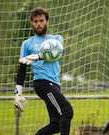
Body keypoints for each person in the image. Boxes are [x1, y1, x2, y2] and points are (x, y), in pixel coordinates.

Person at [14, 7, 73, 135]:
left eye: (41, 20)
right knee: (67, 111)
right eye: (35, 21)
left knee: (56, 124)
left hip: (54, 83)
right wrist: (18, 93)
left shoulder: (57, 39)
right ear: (32, 23)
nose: (38, 24)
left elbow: (56, 53)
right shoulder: (27, 44)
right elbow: (22, 69)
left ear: (47, 21)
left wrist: (39, 56)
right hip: (42, 83)